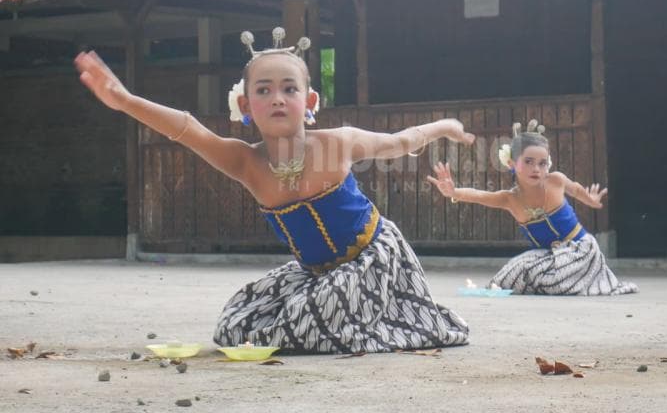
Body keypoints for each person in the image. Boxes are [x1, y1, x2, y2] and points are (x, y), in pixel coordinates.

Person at [74, 27, 472, 353]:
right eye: (263, 91)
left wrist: (445, 127)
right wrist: (124, 101)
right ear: (246, 105)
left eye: (289, 89)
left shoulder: (338, 144)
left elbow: (400, 141)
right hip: (314, 273)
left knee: (316, 320)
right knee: (236, 323)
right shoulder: (246, 162)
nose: (277, 98)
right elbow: (186, 130)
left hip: (374, 260)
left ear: (309, 100)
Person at [427, 120, 638, 296]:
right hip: (546, 256)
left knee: (553, 278)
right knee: (514, 270)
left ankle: (571, 280)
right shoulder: (510, 199)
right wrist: (454, 192)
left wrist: (590, 199)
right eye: (528, 161)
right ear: (512, 163)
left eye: (542, 163)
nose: (536, 169)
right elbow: (481, 196)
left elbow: (575, 190)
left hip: (579, 250)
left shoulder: (555, 181)